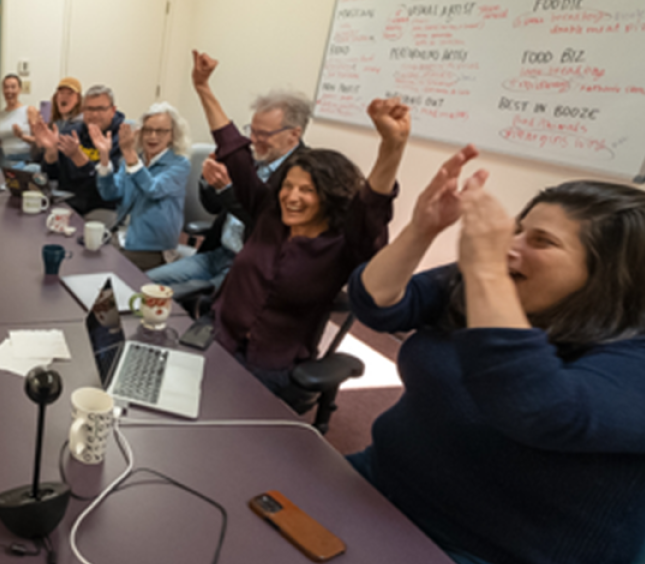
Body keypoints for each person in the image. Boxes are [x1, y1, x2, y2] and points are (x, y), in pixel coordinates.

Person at [348, 146, 645, 564]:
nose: (511, 247)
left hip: (488, 551)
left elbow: (539, 409)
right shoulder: (496, 283)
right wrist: (422, 230)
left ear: (611, 276)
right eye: (516, 230)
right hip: (381, 484)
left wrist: (485, 271)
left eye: (541, 241)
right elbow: (378, 305)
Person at [190, 50, 410, 410]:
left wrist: (392, 147)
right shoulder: (268, 213)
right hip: (217, 339)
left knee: (226, 439)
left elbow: (373, 208)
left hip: (270, 366)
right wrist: (202, 86)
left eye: (306, 190)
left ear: (329, 197)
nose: (292, 197)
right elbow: (232, 146)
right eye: (288, 186)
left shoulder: (343, 244)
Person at [147, 89, 313, 296]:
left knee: (179, 299)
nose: (253, 139)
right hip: (217, 253)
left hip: (249, 267)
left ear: (294, 134)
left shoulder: (303, 174)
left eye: (263, 134)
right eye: (252, 130)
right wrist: (209, 181)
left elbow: (264, 220)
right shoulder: (254, 158)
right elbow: (213, 206)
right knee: (145, 283)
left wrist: (227, 190)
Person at [92, 102, 193, 271]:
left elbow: (153, 189)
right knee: (87, 260)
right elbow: (110, 193)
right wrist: (104, 156)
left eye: (161, 131)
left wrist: (130, 154)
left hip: (152, 247)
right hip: (123, 236)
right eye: (148, 130)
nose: (153, 136)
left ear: (172, 134)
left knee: (103, 271)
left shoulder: (179, 164)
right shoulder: (134, 159)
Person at [30, 84, 127, 217]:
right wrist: (51, 152)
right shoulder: (70, 132)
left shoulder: (121, 140)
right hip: (66, 202)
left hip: (99, 207)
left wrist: (79, 159)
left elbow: (108, 191)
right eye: (89, 109)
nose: (94, 114)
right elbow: (51, 176)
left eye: (100, 109)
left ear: (113, 110)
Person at [0, 74, 32, 161]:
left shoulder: (29, 110)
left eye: (13, 87)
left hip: (24, 157)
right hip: (4, 158)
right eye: (6, 87)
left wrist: (22, 136)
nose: (9, 91)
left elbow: (39, 142)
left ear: (19, 89)